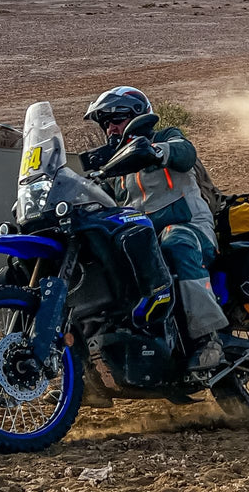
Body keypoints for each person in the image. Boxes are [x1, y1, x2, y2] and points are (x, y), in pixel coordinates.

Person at [84, 86, 227, 372]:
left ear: (138, 116)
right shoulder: (113, 165)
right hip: (144, 242)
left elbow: (186, 153)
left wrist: (157, 151)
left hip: (190, 228)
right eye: (106, 122)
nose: (111, 127)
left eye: (117, 119)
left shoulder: (164, 138)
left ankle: (208, 339)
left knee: (176, 241)